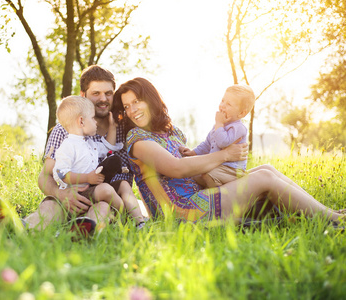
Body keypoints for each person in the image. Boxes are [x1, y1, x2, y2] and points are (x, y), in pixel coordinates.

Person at [111, 77, 345, 225]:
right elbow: (177, 169)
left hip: (198, 195)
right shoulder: (137, 139)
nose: (132, 110)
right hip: (180, 210)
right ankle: (335, 221)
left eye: (136, 101)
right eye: (127, 106)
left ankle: (327, 212)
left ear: (150, 100)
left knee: (266, 168)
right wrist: (225, 155)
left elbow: (195, 160)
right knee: (263, 178)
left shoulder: (172, 133)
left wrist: (206, 161)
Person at [0, 65, 135, 235]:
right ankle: (18, 228)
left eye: (108, 93)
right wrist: (60, 193)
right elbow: (45, 175)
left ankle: (81, 234)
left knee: (101, 208)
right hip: (70, 198)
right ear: (83, 95)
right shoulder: (63, 130)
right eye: (96, 93)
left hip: (107, 201)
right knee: (51, 205)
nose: (104, 99)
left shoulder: (124, 129)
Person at [52, 95, 145, 227]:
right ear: (81, 122)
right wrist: (87, 177)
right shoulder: (68, 146)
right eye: (92, 118)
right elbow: (60, 174)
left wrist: (112, 127)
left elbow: (107, 147)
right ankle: (125, 217)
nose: (95, 122)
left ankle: (139, 222)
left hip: (94, 189)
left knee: (124, 184)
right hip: (80, 193)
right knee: (106, 189)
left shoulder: (90, 143)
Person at [179, 84, 255, 188]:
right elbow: (207, 144)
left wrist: (219, 123)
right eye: (223, 100)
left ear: (241, 113)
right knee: (195, 174)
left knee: (207, 176)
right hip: (218, 166)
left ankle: (219, 193)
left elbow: (223, 142)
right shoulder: (219, 126)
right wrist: (193, 152)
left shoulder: (239, 128)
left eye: (229, 104)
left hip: (231, 170)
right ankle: (210, 185)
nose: (222, 105)